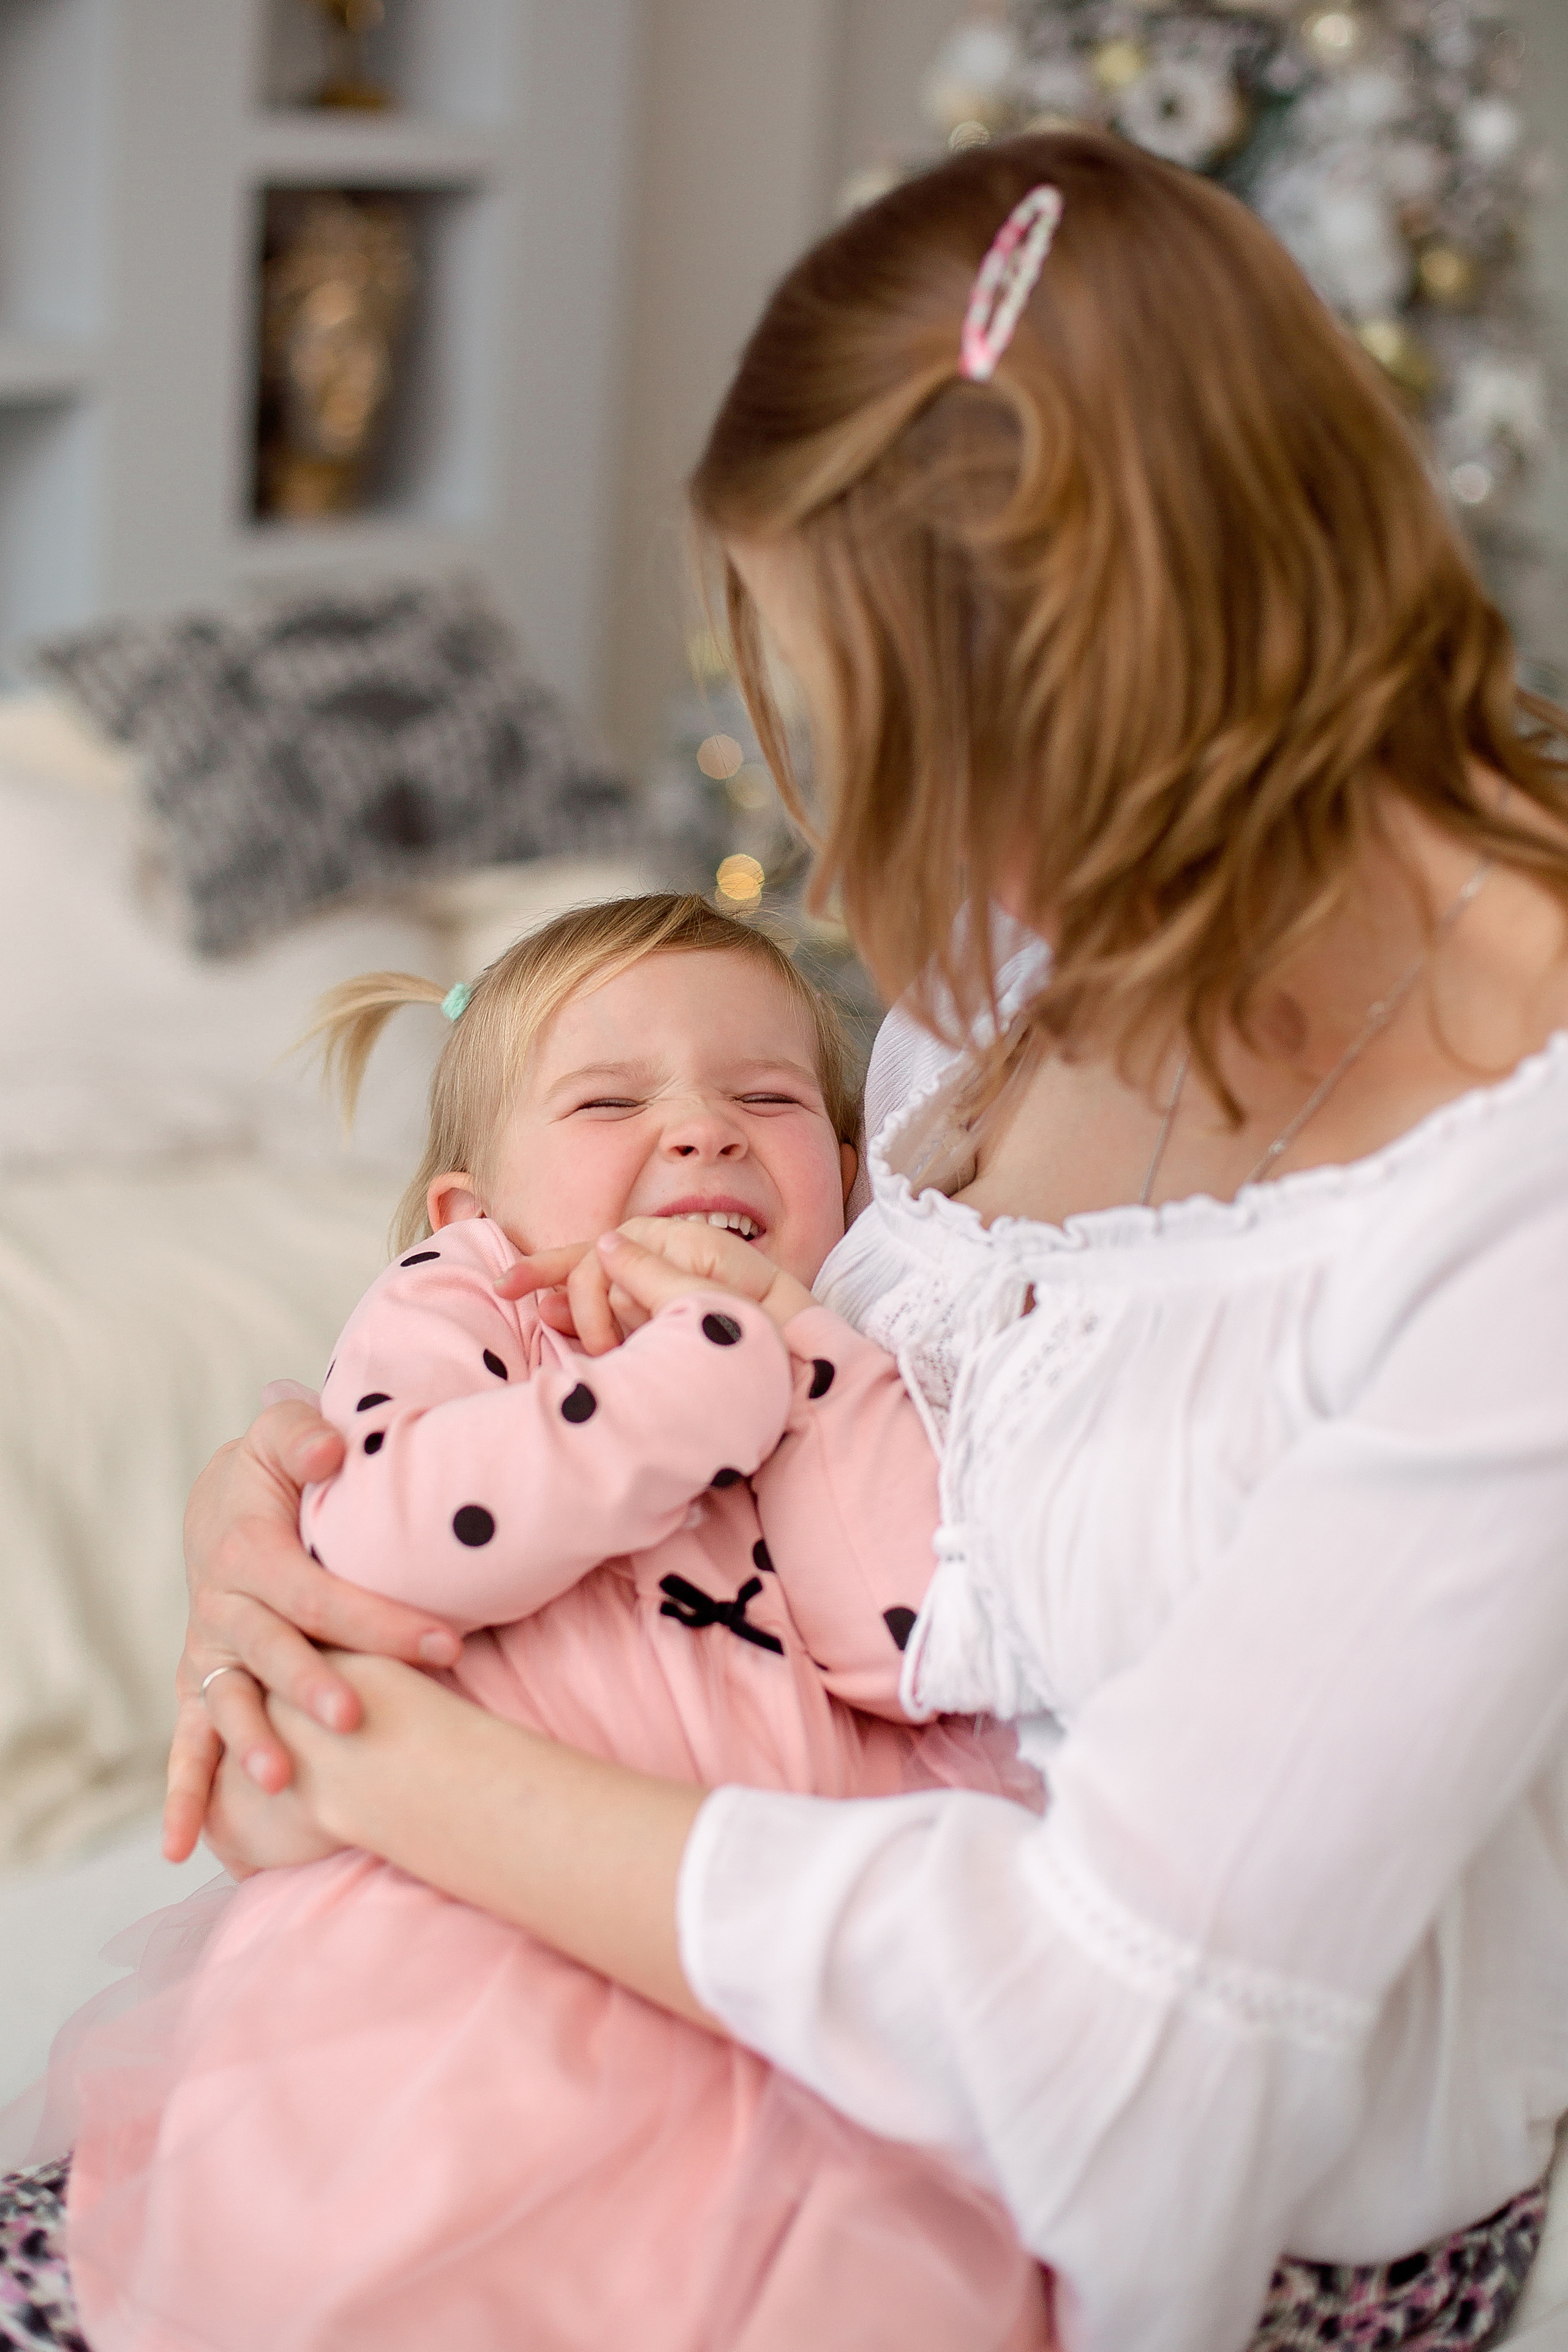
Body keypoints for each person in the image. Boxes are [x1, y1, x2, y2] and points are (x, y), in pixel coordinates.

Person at [11, 124, 1568, 2350]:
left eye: (876, 750)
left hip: (1126, 2225)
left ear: (1098, 696)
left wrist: (400, 1767)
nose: (838, 889)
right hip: (696, 2013)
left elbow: (1124, 2053)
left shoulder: (1517, 1202)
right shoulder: (1028, 965)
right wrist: (274, 1522)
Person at [24, 895, 1051, 2352]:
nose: (700, 1132)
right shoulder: (467, 1312)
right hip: (467, 1920)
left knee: (866, 2278)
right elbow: (387, 1538)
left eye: (765, 1099)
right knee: (422, 2236)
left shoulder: (837, 1350)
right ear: (472, 1210)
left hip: (777, 1929)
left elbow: (904, 1641)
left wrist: (797, 1348)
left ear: (842, 1178)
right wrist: (684, 1387)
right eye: (611, 1103)